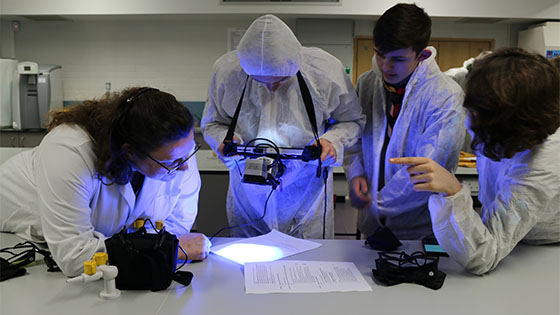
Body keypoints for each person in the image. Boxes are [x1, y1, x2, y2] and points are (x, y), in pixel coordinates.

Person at [0, 87, 211, 277]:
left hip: (77, 243)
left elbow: (176, 228)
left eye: (189, 151)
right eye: (172, 161)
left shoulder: (177, 152)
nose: (185, 167)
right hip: (17, 221)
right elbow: (74, 257)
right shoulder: (70, 151)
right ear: (130, 151)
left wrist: (150, 249)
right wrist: (164, 250)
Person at [390, 47, 560, 274]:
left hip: (543, 252)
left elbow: (484, 257)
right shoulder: (505, 124)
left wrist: (453, 191)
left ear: (503, 118)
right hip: (513, 243)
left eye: (473, 113)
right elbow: (459, 78)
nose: (468, 121)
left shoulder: (539, 167)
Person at [201, 14, 365, 239]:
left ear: (296, 64)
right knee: (248, 263)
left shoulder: (324, 71)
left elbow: (351, 121)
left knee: (307, 264)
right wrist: (224, 140)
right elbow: (212, 123)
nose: (271, 88)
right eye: (260, 81)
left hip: (305, 191)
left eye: (280, 81)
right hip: (249, 193)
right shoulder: (227, 72)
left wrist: (331, 141)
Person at [343, 3, 465, 240]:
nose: (386, 67)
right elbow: (355, 136)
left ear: (422, 55)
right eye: (380, 54)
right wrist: (356, 175)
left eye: (398, 59)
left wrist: (376, 202)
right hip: (373, 224)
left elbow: (429, 168)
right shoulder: (369, 83)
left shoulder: (445, 95)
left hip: (420, 226)